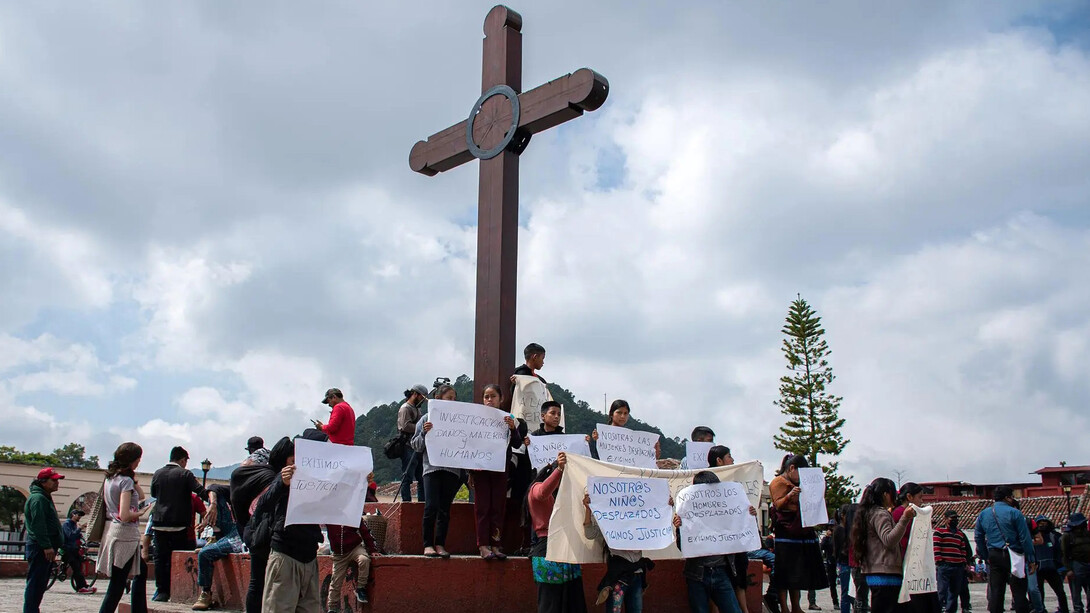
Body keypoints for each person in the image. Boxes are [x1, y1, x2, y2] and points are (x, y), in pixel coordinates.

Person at [255, 436, 324, 613]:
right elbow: (263, 505)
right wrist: (282, 483)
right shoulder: (280, 480)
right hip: (286, 556)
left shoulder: (314, 480)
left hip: (309, 556)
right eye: (294, 459)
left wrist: (360, 480)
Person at [673, 471, 743, 613]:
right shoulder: (688, 513)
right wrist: (679, 529)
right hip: (697, 574)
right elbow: (683, 547)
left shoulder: (726, 509)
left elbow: (741, 531)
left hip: (721, 571)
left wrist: (749, 515)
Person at [469, 383, 525, 559]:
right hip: (481, 469)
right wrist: (470, 472)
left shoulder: (508, 419)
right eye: (486, 397)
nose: (489, 400)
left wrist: (512, 428)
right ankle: (483, 545)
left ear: (501, 399)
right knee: (482, 507)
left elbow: (517, 444)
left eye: (493, 396)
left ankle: (496, 544)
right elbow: (469, 445)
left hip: (500, 469)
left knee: (498, 507)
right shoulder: (476, 419)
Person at [528, 452, 587, 613]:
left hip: (567, 550)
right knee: (551, 604)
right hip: (546, 549)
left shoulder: (566, 496)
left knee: (573, 602)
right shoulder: (535, 489)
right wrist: (559, 470)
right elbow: (542, 492)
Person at [97, 443, 152, 613]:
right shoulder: (125, 481)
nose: (139, 462)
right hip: (125, 534)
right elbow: (125, 514)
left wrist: (133, 479)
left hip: (114, 531)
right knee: (117, 584)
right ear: (132, 460)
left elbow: (140, 495)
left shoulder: (111, 479)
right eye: (138, 459)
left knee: (141, 571)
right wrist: (141, 512)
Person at [770, 454, 829, 613]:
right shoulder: (778, 482)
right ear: (791, 468)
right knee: (785, 572)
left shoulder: (800, 483)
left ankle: (796, 606)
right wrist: (790, 495)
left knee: (797, 572)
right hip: (786, 533)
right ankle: (784, 607)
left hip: (802, 530)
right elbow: (778, 504)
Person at [412, 394, 468, 558]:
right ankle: (427, 544)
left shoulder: (460, 420)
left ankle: (440, 544)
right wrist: (424, 433)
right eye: (448, 397)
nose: (452, 401)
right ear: (438, 398)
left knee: (445, 508)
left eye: (454, 398)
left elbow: (467, 445)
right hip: (431, 468)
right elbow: (416, 446)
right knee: (431, 506)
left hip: (452, 470)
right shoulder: (426, 419)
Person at [583, 489, 658, 613]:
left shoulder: (641, 520)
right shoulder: (610, 521)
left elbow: (658, 524)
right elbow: (590, 533)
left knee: (636, 610)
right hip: (618, 577)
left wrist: (666, 506)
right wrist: (588, 509)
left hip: (637, 575)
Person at [850, 477, 915, 613]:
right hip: (886, 573)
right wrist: (905, 519)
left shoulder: (868, 513)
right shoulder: (881, 514)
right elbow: (889, 540)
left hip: (874, 571)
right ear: (886, 494)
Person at [149, 445, 205, 602]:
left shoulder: (157, 473)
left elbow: (154, 493)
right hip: (179, 524)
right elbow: (199, 490)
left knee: (160, 558)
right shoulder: (185, 474)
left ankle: (161, 591)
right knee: (178, 558)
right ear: (182, 460)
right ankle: (178, 590)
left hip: (159, 523)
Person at [230, 442, 280, 613]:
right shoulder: (269, 477)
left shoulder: (239, 477)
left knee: (256, 580)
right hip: (265, 533)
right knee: (265, 581)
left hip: (250, 531)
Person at [707, 445, 755, 613]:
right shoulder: (704, 480)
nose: (732, 460)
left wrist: (750, 511)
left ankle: (744, 610)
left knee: (739, 577)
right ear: (719, 460)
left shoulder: (735, 481)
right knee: (715, 582)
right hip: (715, 543)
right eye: (729, 456)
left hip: (735, 540)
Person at [974, 486, 1035, 613]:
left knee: (996, 591)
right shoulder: (1015, 513)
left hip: (994, 554)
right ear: (1007, 497)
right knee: (1019, 590)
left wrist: (985, 555)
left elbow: (978, 537)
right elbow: (1025, 538)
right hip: (1014, 554)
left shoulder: (984, 514)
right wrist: (1031, 558)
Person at [191, 484, 241, 611]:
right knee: (215, 496)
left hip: (241, 535)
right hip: (230, 530)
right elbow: (213, 488)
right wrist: (212, 505)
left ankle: (205, 593)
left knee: (205, 553)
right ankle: (216, 537)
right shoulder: (236, 487)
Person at [892, 483, 939, 613]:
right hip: (907, 563)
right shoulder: (901, 514)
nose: (921, 501)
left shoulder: (904, 513)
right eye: (919, 497)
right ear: (909, 497)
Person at [23, 467, 66, 613]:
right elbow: (38, 524)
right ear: (43, 481)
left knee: (40, 584)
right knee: (36, 583)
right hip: (40, 547)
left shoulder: (44, 497)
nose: (57, 483)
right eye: (53, 480)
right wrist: (47, 546)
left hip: (44, 546)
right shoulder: (38, 499)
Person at [326, 516, 381, 612]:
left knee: (364, 559)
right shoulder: (329, 515)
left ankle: (360, 588)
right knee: (336, 581)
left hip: (354, 548)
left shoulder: (352, 513)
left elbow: (364, 531)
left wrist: (372, 548)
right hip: (339, 554)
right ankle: (332, 608)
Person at [590, 400, 661, 460]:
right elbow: (595, 458)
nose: (622, 416)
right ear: (612, 414)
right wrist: (595, 441)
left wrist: (654, 451)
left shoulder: (632, 439)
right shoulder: (601, 435)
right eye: (619, 412)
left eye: (625, 413)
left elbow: (641, 460)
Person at [934, 510, 971, 613]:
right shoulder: (939, 532)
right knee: (942, 591)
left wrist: (964, 562)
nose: (955, 520)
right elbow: (936, 547)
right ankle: (937, 609)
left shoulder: (960, 534)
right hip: (945, 565)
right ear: (945, 519)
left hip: (958, 566)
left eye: (956, 518)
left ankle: (950, 610)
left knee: (954, 592)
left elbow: (962, 549)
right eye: (952, 518)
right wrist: (939, 560)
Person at [398, 384, 429, 502]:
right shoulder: (406, 408)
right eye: (422, 397)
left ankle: (422, 502)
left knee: (421, 477)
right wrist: (421, 427)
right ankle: (406, 501)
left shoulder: (417, 408)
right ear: (415, 394)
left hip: (417, 446)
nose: (422, 401)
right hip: (407, 446)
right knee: (407, 476)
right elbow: (404, 426)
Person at [1032, 515, 1069, 613]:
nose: (1042, 525)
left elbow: (1059, 551)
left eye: (1044, 523)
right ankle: (1041, 609)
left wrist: (1058, 565)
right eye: (1040, 523)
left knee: (1060, 591)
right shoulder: (1033, 537)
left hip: (1052, 568)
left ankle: (1064, 609)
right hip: (1038, 568)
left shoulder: (1054, 536)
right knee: (1039, 592)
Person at [61, 509, 96, 594]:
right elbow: (70, 536)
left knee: (79, 567)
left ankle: (83, 586)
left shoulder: (74, 525)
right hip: (68, 549)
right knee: (76, 568)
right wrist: (79, 529)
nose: (80, 517)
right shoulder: (67, 524)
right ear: (73, 514)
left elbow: (78, 536)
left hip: (74, 549)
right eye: (78, 515)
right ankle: (81, 587)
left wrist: (85, 542)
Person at [1062, 513, 1090, 613]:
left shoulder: (1087, 534)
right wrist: (1068, 569)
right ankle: (1078, 609)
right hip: (1075, 564)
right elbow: (1064, 554)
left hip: (1088, 564)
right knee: (1076, 590)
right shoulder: (1067, 536)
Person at [832, 505, 853, 613]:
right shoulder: (840, 530)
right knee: (846, 593)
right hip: (844, 562)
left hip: (848, 562)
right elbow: (840, 549)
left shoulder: (847, 529)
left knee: (851, 593)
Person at [821, 527, 840, 610]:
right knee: (832, 584)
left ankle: (851, 601)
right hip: (831, 562)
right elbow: (822, 546)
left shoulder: (840, 536)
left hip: (840, 561)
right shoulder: (827, 539)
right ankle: (835, 602)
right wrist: (826, 537)